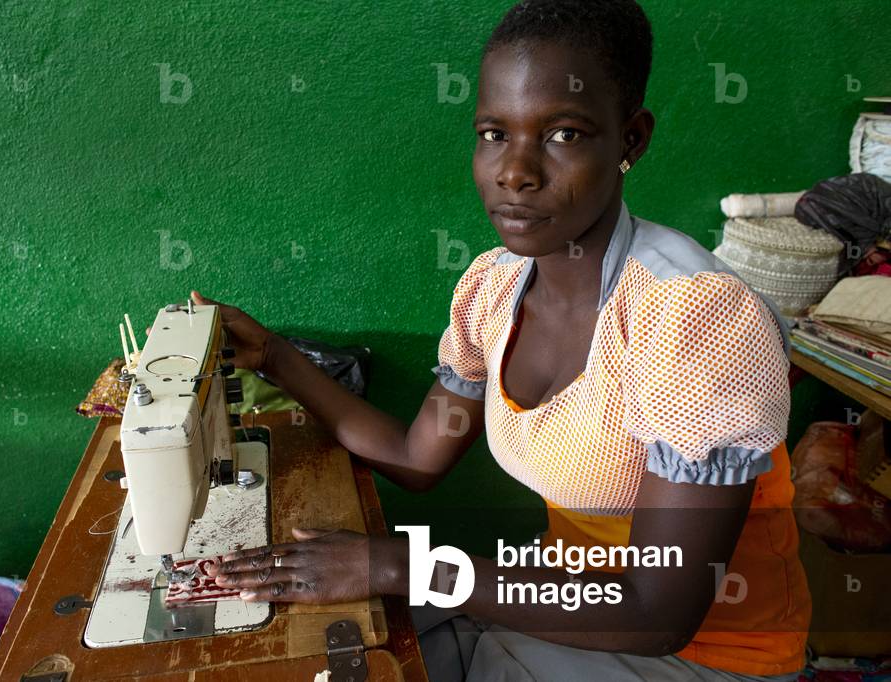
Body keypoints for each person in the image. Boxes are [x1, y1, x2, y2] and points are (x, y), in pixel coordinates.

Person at [194, 1, 811, 679]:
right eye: (493, 133)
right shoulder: (495, 288)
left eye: (565, 135)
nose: (514, 172)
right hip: (562, 593)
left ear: (630, 140)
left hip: (704, 654)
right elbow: (415, 458)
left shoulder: (691, 318)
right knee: (319, 651)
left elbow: (657, 613)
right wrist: (276, 358)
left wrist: (403, 564)